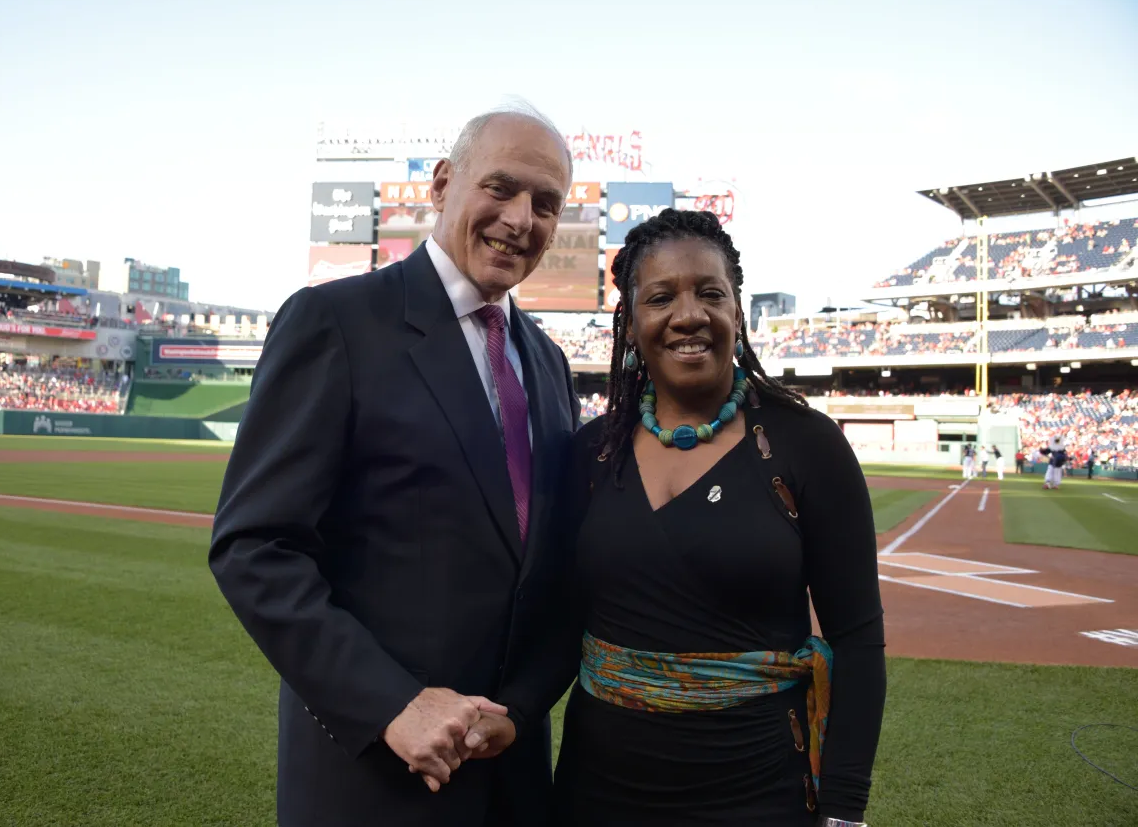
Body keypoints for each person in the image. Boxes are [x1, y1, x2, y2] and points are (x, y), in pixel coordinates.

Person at [209, 105, 581, 827]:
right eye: (500, 189)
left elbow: (552, 569)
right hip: (375, 784)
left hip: (512, 781)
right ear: (442, 185)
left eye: (545, 203)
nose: (520, 218)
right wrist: (391, 704)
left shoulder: (549, 362)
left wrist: (525, 707)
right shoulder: (336, 323)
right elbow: (255, 546)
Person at [548, 209, 886, 826]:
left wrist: (843, 810)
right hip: (597, 791)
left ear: (737, 311)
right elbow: (559, 625)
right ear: (631, 325)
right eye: (660, 297)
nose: (688, 315)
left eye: (710, 293)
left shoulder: (807, 445)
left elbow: (857, 639)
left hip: (757, 790)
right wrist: (507, 711)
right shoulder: (591, 451)